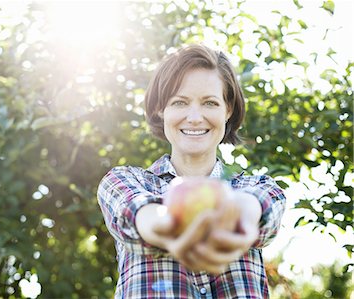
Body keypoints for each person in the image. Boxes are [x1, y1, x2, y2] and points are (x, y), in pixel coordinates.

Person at [97, 44, 286, 298]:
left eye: (209, 102)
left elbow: (258, 210)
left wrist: (239, 219)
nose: (195, 117)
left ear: (227, 110)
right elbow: (139, 216)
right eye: (180, 102)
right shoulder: (124, 181)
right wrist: (174, 229)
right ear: (161, 109)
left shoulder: (259, 187)